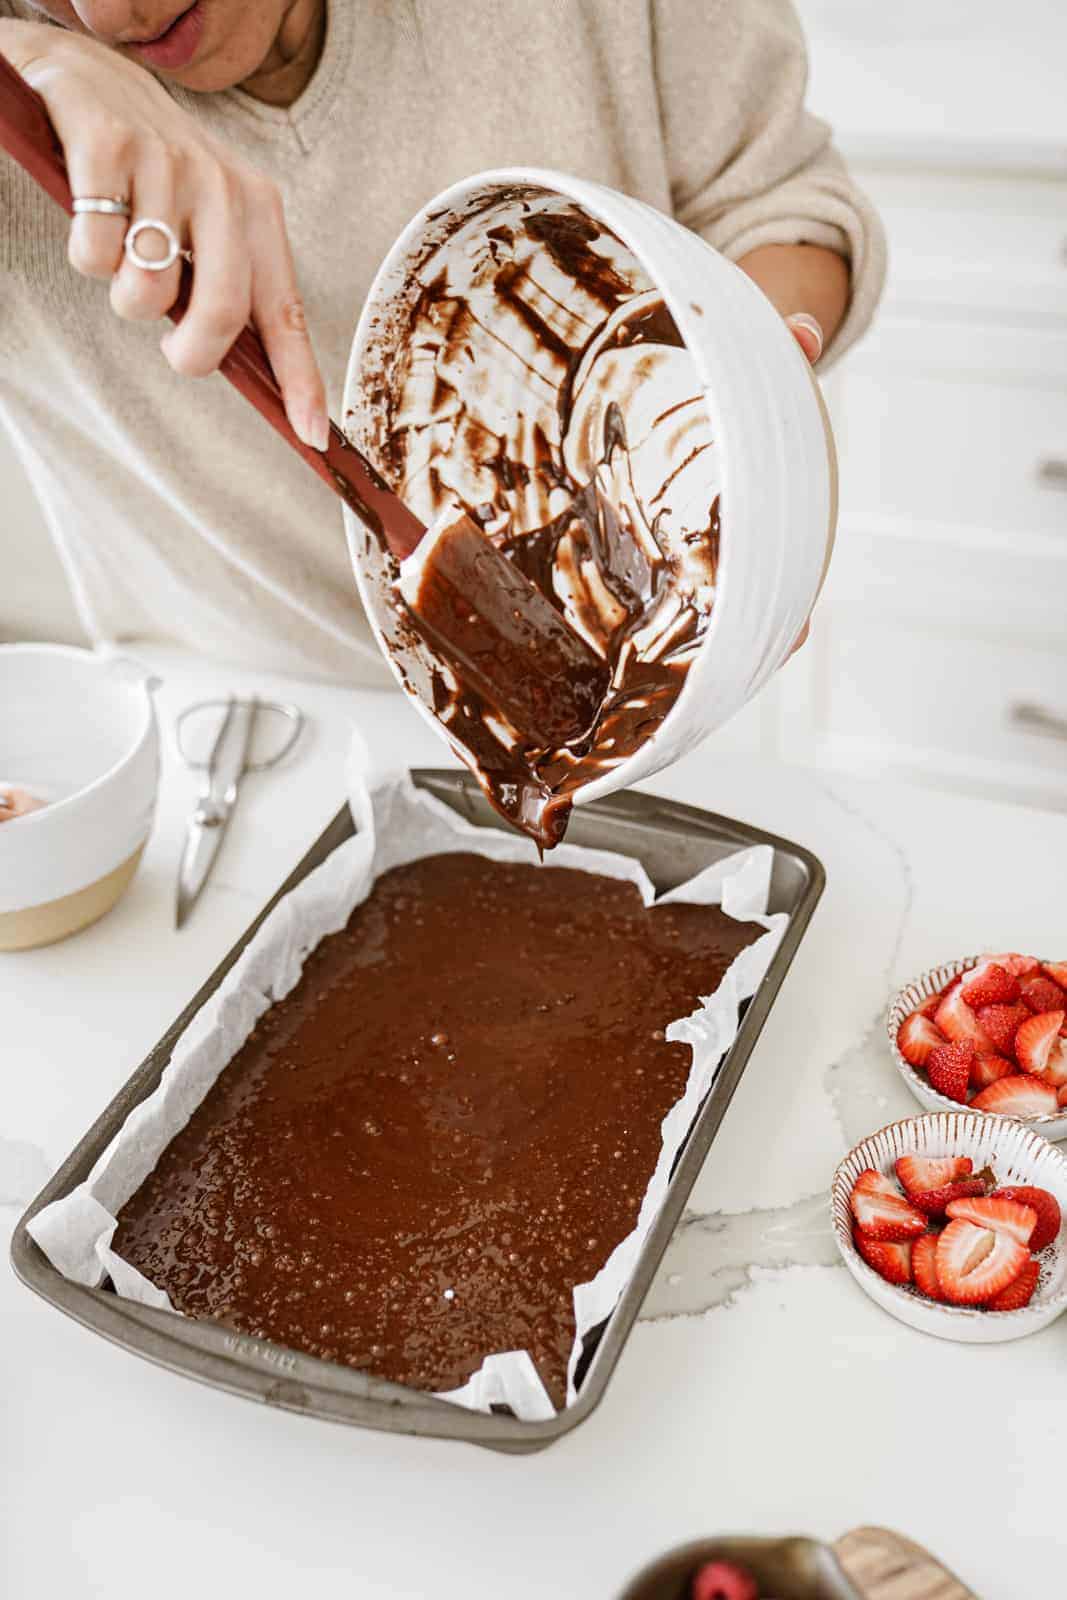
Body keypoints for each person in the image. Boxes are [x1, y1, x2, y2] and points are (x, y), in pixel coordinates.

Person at [0, 0, 885, 681]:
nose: (113, 15)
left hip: (662, 678)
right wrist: (22, 58)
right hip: (233, 738)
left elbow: (772, 202)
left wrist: (752, 418)